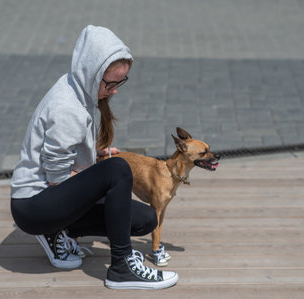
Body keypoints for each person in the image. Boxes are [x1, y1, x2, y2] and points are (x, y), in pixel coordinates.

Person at [10, 25, 179, 290]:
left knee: (146, 218)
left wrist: (94, 157)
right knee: (118, 170)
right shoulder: (67, 107)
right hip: (33, 206)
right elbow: (56, 178)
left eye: (120, 82)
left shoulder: (79, 88)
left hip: (50, 201)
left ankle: (59, 230)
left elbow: (64, 156)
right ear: (91, 73)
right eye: (109, 83)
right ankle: (121, 268)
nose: (114, 91)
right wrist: (102, 176)